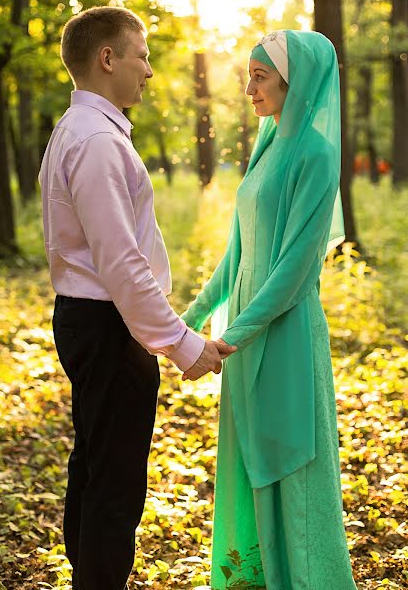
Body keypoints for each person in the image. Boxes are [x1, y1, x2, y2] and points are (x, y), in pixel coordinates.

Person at [39, 6, 236, 590]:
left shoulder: (78, 129)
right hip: (106, 325)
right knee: (115, 479)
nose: (148, 70)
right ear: (108, 59)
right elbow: (120, 261)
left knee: (95, 465)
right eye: (142, 55)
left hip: (92, 320)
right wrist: (180, 342)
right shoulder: (97, 140)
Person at [181, 30, 358, 589]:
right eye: (249, 74)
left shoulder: (316, 153)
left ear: (292, 80)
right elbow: (239, 251)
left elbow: (296, 267)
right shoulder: (267, 145)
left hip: (282, 336)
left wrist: (234, 333)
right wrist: (190, 318)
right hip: (245, 336)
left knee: (293, 464)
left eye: (260, 76)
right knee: (249, 461)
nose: (249, 87)